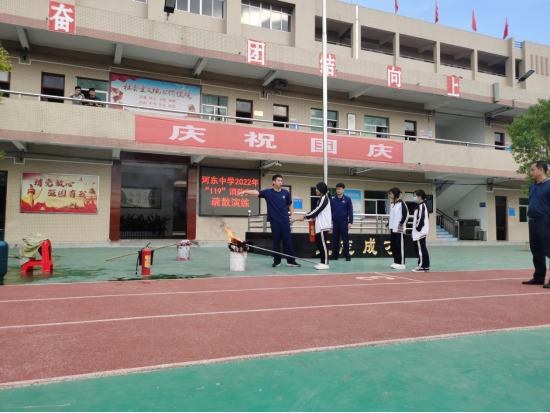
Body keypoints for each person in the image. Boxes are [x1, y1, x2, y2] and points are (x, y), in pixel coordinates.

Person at [239, 175, 301, 268]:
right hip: (274, 222)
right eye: (279, 180)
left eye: (281, 181)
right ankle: (277, 261)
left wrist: (292, 215)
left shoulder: (285, 193)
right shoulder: (268, 192)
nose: (281, 182)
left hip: (284, 221)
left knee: (287, 241)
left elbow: (290, 204)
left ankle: (290, 261)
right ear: (273, 182)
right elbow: (256, 192)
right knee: (276, 242)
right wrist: (245, 191)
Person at [523, 161, 550, 289]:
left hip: (546, 220)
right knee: (536, 251)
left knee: (548, 249)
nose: (531, 172)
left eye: (533, 169)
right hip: (533, 221)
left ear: (541, 170)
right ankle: (539, 277)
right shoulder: (532, 186)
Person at [300, 183, 333, 271]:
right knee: (320, 245)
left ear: (321, 190)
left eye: (316, 189)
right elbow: (315, 210)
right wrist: (306, 215)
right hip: (319, 226)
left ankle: (325, 263)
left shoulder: (325, 198)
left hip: (323, 225)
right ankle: (322, 262)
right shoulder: (321, 199)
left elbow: (317, 211)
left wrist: (305, 216)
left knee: (323, 245)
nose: (315, 190)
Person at [330, 183, 354, 261]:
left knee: (345, 239)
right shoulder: (333, 200)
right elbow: (330, 212)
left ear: (343, 190)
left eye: (340, 189)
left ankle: (347, 255)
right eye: (337, 189)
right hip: (335, 222)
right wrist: (331, 223)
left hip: (344, 222)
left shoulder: (347, 199)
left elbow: (350, 211)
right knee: (335, 239)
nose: (338, 190)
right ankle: (335, 255)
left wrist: (350, 222)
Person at [388, 187, 409, 270]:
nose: (390, 195)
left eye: (391, 193)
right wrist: (388, 225)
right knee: (394, 246)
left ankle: (402, 263)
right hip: (393, 229)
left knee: (399, 246)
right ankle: (396, 261)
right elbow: (392, 216)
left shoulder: (402, 203)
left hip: (399, 230)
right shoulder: (393, 204)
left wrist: (401, 224)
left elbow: (406, 214)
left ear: (395, 194)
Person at [412, 189, 430, 273]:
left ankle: (422, 266)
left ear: (420, 197)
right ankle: (425, 265)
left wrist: (418, 228)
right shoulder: (420, 206)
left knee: (420, 249)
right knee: (421, 249)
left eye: (415, 196)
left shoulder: (421, 206)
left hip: (420, 232)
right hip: (419, 232)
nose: (414, 198)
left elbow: (421, 218)